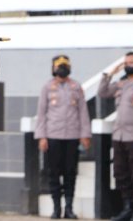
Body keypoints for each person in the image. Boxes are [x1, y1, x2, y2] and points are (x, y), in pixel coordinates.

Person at [97, 51, 133, 221]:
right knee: (120, 172)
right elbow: (102, 92)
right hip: (119, 135)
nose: (128, 65)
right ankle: (127, 208)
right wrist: (109, 74)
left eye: (132, 62)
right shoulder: (121, 84)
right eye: (126, 62)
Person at [34, 55, 91, 219]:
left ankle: (69, 208)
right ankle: (56, 208)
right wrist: (41, 137)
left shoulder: (76, 87)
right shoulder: (47, 87)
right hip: (52, 136)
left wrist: (85, 134)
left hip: (72, 136)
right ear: (53, 68)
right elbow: (41, 113)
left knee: (70, 173)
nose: (62, 68)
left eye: (65, 65)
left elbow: (83, 112)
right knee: (53, 173)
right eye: (59, 66)